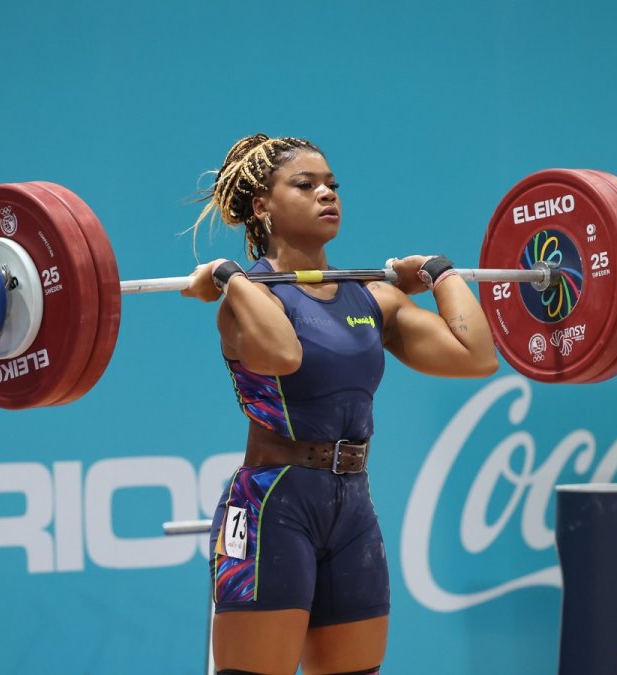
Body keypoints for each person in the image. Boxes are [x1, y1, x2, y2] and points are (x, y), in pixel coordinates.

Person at [183, 134, 498, 675]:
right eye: (305, 185)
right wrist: (229, 278)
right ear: (263, 206)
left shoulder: (371, 296)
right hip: (270, 506)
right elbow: (282, 355)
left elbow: (475, 357)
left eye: (332, 184)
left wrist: (439, 273)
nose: (327, 194)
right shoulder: (247, 300)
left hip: (351, 507)